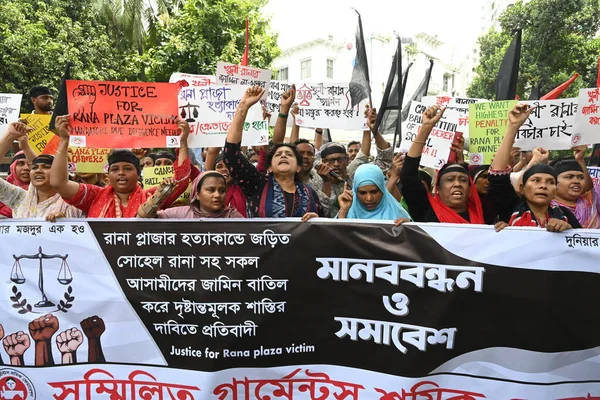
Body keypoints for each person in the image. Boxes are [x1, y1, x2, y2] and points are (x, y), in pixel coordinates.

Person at [49, 115, 191, 218]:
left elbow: (181, 181)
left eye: (128, 169)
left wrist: (183, 142)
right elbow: (59, 183)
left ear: (138, 173)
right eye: (115, 169)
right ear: (108, 174)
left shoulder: (152, 196)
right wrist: (64, 141)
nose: (121, 173)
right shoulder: (94, 195)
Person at [223, 86, 321, 218]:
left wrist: (317, 220)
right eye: (278, 154)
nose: (284, 155)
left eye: (289, 154)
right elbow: (231, 155)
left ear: (298, 167)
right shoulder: (257, 185)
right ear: (269, 167)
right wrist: (243, 106)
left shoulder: (309, 193)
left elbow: (324, 226)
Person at [489, 104, 580, 231]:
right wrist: (513, 127)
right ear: (522, 188)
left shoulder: (565, 215)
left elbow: (582, 242)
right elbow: (497, 176)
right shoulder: (510, 207)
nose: (543, 186)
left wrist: (568, 229)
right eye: (536, 180)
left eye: (550, 182)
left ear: (555, 191)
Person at [400, 105, 485, 224]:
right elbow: (408, 176)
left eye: (463, 180)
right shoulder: (426, 211)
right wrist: (425, 128)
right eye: (450, 179)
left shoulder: (481, 211)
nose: (457, 184)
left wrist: (506, 228)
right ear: (438, 188)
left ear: (470, 187)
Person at [0, 122, 83, 220]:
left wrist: (66, 222)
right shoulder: (20, 199)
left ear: (60, 173)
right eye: (34, 168)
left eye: (46, 167)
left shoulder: (76, 203)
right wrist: (10, 135)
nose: (38, 171)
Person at [137, 172, 244, 219]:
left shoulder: (232, 216)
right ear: (197, 194)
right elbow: (143, 218)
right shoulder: (180, 214)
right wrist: (159, 196)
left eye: (222, 191)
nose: (217, 195)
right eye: (211, 190)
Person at [337, 164, 411, 225]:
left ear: (382, 189)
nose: (369, 198)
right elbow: (336, 239)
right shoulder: (348, 212)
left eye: (374, 192)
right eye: (363, 193)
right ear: (356, 192)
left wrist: (408, 228)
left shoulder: (398, 214)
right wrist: (343, 212)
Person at [550, 148, 599, 229]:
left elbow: (588, 186)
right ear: (553, 182)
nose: (576, 181)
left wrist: (580, 160)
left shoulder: (591, 200)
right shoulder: (545, 206)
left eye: (581, 177)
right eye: (569, 177)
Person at [0, 151, 31, 218]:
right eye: (21, 163)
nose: (26, 168)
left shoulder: (44, 193)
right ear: (12, 167)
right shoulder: (2, 188)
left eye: (30, 165)